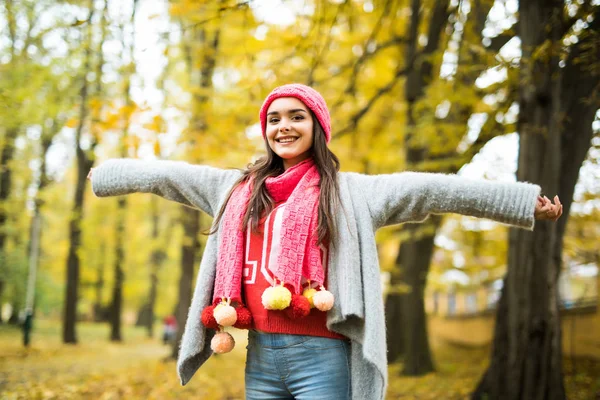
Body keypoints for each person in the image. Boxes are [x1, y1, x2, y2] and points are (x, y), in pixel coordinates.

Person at [87, 84, 562, 400]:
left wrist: (521, 201)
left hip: (325, 356)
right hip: (260, 356)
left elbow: (434, 188)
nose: (283, 127)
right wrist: (105, 175)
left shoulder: (352, 192)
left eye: (296, 116)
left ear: (318, 126)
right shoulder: (234, 189)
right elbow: (167, 175)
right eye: (274, 119)